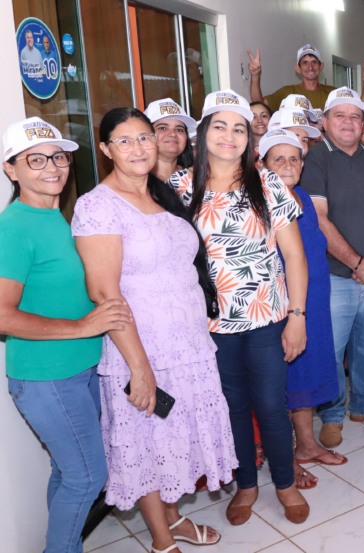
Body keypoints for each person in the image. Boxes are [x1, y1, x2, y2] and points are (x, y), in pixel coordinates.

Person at [73, 107, 238, 552]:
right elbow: (104, 293)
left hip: (187, 345)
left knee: (174, 439)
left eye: (144, 137)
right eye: (124, 141)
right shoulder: (97, 206)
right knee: (147, 444)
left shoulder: (164, 194)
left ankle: (173, 516)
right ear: (106, 149)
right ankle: (162, 540)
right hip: (140, 349)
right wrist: (139, 367)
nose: (137, 148)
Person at [167, 89, 310, 526]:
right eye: (220, 126)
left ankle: (284, 482)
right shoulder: (177, 189)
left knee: (270, 404)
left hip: (267, 319)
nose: (229, 136)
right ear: (203, 133)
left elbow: (294, 256)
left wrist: (297, 317)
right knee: (231, 406)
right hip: (208, 325)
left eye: (239, 129)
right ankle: (246, 483)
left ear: (249, 138)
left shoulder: (267, 183)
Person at [0, 117, 130, 553]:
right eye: (35, 160)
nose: (52, 167)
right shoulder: (14, 227)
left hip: (81, 368)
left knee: (69, 472)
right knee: (88, 476)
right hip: (47, 377)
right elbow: (2, 315)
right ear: (11, 169)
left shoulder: (56, 217)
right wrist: (81, 327)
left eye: (58, 157)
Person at [303, 87, 364, 447]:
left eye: (355, 116)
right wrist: (357, 263)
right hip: (335, 275)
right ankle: (332, 414)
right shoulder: (315, 160)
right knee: (332, 350)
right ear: (324, 121)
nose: (348, 122)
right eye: (340, 115)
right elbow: (318, 219)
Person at [259, 128, 345, 491]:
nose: (288, 165)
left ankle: (307, 444)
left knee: (307, 374)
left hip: (314, 300)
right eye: (278, 159)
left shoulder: (304, 197)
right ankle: (286, 455)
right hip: (282, 305)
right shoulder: (259, 202)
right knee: (282, 380)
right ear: (262, 165)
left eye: (294, 158)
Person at [248, 45, 364, 109]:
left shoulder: (333, 93)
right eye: (305, 63)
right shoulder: (287, 92)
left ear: (321, 66)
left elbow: (360, 108)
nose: (310, 67)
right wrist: (255, 76)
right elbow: (258, 104)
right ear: (298, 68)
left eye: (314, 62)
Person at [144, 98, 196, 182]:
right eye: (163, 128)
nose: (173, 134)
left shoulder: (198, 178)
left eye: (179, 129)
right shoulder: (136, 180)